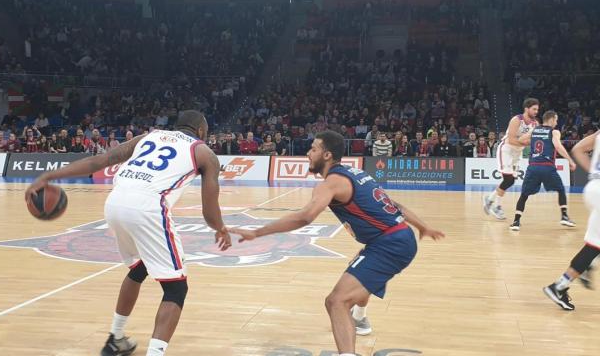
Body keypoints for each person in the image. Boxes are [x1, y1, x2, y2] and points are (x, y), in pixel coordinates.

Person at [25, 110, 232, 356]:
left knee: (139, 268)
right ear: (200, 132)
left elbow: (97, 162)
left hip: (114, 203)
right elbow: (210, 211)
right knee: (176, 289)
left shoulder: (149, 137)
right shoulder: (204, 153)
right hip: (148, 207)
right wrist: (221, 229)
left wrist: (48, 176)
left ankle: (116, 338)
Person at [229, 131, 444, 355]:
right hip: (394, 238)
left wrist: (258, 232)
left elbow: (305, 217)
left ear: (327, 154)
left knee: (336, 302)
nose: (308, 153)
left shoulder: (330, 184)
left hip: (389, 243)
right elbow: (396, 205)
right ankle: (360, 319)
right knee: (357, 270)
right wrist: (422, 227)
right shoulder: (355, 172)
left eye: (313, 149)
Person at [543, 131, 600, 310]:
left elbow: (578, 149)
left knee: (594, 245)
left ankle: (566, 281)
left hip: (593, 188)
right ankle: (562, 284)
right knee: (594, 247)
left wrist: (595, 172)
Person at [509, 111, 576, 231]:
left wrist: (533, 141)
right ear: (551, 119)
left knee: (524, 195)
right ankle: (564, 216)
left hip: (533, 167)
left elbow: (521, 140)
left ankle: (516, 222)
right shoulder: (554, 132)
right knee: (560, 190)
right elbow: (558, 146)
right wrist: (570, 160)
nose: (556, 122)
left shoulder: (534, 130)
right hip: (547, 166)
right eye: (556, 120)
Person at [483, 98, 539, 219]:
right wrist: (527, 142)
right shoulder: (516, 120)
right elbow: (512, 140)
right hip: (506, 150)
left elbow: (536, 140)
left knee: (510, 180)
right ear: (526, 109)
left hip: (517, 153)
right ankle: (494, 204)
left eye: (537, 109)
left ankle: (492, 201)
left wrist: (529, 142)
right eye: (534, 109)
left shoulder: (535, 124)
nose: (536, 112)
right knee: (508, 180)